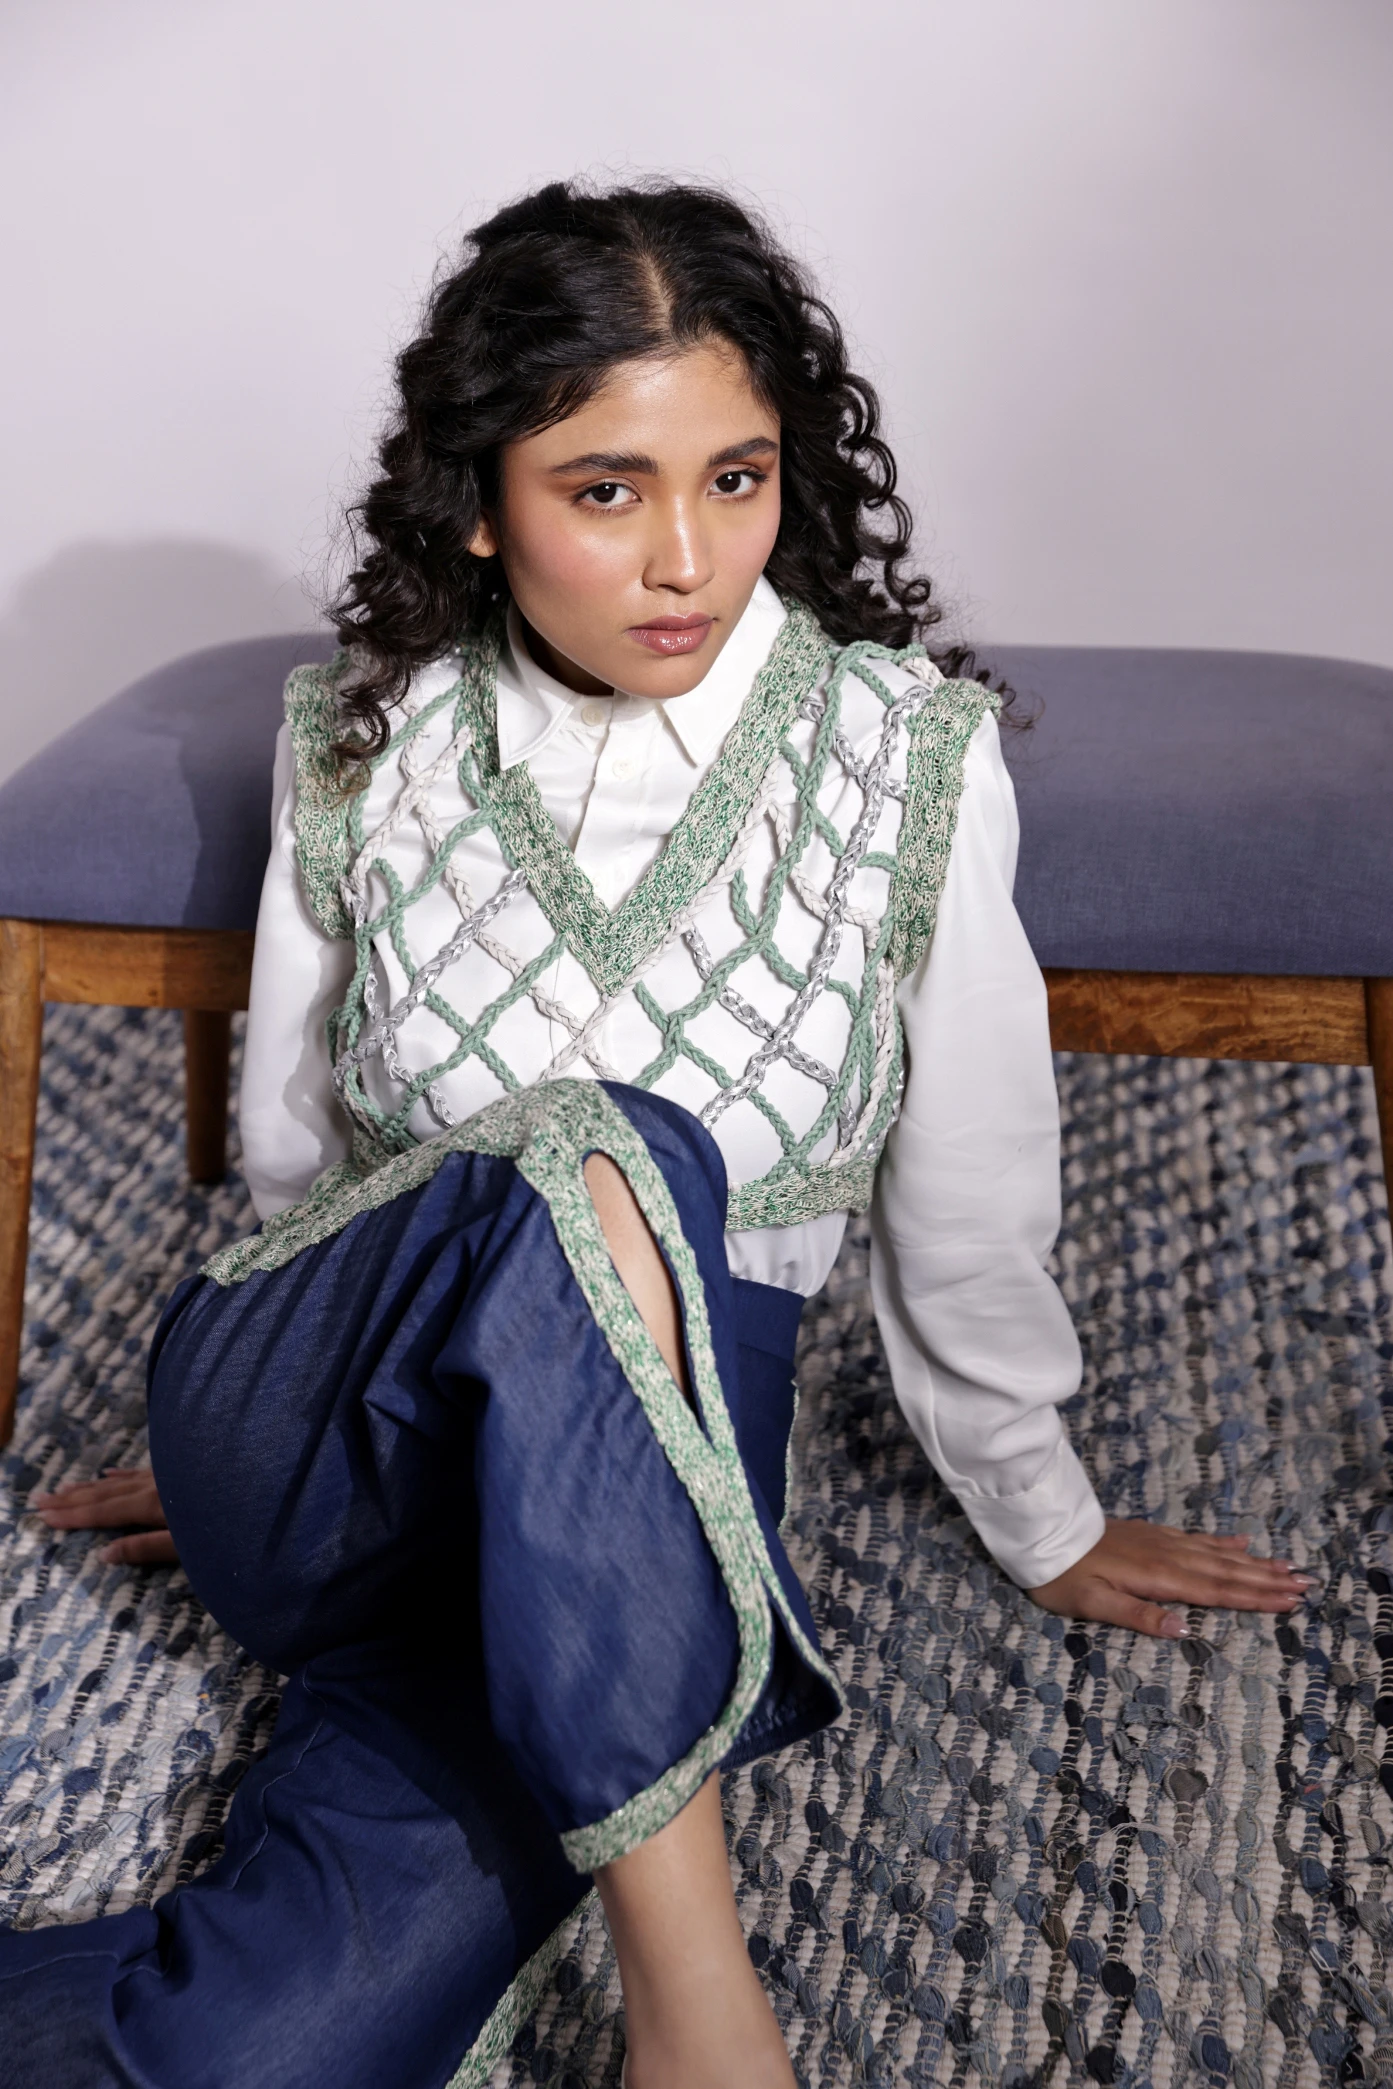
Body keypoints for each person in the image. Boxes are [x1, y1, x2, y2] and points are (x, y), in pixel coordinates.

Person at [9, 179, 1308, 2089]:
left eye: (737, 477)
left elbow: (969, 1188)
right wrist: (256, 1413)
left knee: (254, 2057)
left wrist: (1042, 1510)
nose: (685, 557)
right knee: (604, 1142)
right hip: (338, 1429)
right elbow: (297, 1149)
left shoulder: (903, 758)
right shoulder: (367, 737)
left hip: (633, 1518)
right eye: (606, 490)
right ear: (479, 500)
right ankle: (702, 2009)